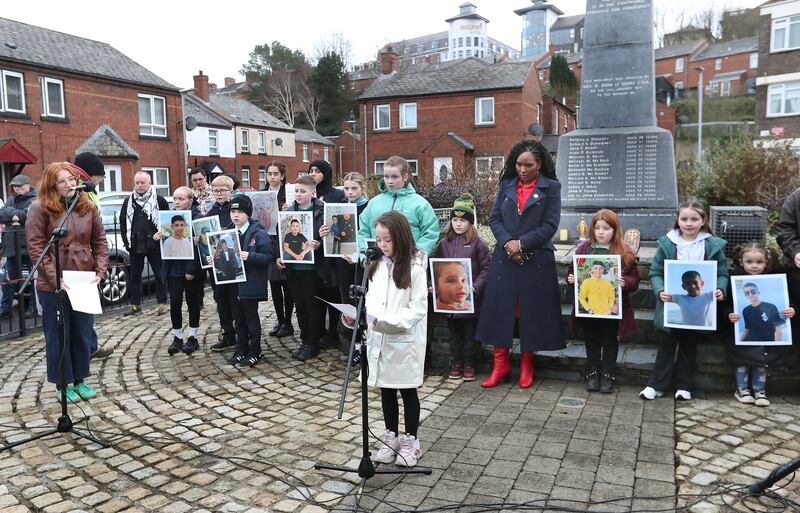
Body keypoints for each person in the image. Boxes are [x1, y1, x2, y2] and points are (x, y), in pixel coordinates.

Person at [476, 140, 566, 389]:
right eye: (518, 164)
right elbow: (494, 218)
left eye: (528, 165)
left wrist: (522, 244)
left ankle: (527, 364)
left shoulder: (552, 188)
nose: (522, 170)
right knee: (501, 310)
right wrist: (508, 243)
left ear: (539, 165)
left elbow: (550, 225)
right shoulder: (506, 185)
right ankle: (500, 364)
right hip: (505, 258)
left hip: (536, 260)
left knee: (530, 312)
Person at [341, 211, 428, 467]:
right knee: (386, 389)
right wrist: (357, 317)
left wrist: (386, 323)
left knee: (407, 390)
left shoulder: (415, 270)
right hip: (379, 338)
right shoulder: (376, 266)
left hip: (403, 340)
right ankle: (391, 435)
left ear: (400, 238)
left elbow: (418, 309)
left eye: (387, 240)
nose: (382, 245)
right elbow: (371, 301)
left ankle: (412, 440)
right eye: (378, 240)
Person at [26, 162, 108, 401]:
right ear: (53, 184)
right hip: (55, 283)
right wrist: (55, 279)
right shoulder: (39, 208)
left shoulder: (87, 206)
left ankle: (80, 379)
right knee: (59, 334)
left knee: (82, 332)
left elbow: (100, 242)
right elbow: (36, 248)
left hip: (84, 278)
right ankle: (63, 383)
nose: (70, 184)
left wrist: (100, 271)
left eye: (71, 179)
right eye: (63, 181)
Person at [640, 201, 729, 401]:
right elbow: (655, 272)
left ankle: (684, 386)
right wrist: (660, 290)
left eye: (694, 219)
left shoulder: (711, 244)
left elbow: (722, 272)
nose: (689, 223)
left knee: (689, 347)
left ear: (703, 221)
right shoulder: (668, 243)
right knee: (666, 346)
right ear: (678, 221)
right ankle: (657, 385)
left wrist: (721, 289)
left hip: (698, 313)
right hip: (670, 309)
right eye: (684, 219)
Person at [566, 209, 640, 393]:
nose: (601, 232)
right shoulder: (584, 249)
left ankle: (607, 374)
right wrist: (572, 279)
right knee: (591, 340)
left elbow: (635, 279)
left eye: (606, 228)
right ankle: (592, 372)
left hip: (611, 309)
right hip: (590, 309)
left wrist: (626, 282)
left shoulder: (624, 251)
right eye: (597, 228)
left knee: (609, 341)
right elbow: (572, 271)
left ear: (614, 230)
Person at [431, 193, 490, 381]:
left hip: (470, 301)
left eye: (462, 221)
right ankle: (456, 361)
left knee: (469, 335)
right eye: (455, 220)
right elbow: (436, 267)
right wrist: (434, 285)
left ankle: (470, 363)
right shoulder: (443, 243)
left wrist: (475, 286)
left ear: (470, 223)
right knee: (454, 334)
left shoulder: (478, 244)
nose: (458, 224)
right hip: (449, 302)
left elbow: (486, 269)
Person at [726, 243, 794, 407]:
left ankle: (760, 390)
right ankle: (741, 389)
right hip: (744, 338)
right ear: (741, 262)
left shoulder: (775, 285)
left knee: (761, 363)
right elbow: (727, 305)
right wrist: (728, 315)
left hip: (765, 339)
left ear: (765, 263)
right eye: (749, 262)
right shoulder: (733, 279)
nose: (754, 266)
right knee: (741, 360)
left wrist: (792, 310)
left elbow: (783, 314)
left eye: (759, 262)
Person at [320, 172, 370, 360]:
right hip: (343, 262)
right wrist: (324, 232)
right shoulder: (339, 208)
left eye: (354, 188)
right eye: (346, 188)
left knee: (363, 302)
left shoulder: (368, 207)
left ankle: (367, 343)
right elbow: (335, 235)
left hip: (362, 263)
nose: (349, 192)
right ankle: (355, 345)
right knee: (348, 303)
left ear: (362, 189)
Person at [154, 187, 204, 356]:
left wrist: (192, 269)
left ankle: (192, 336)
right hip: (173, 269)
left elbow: (203, 247)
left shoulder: (197, 218)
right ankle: (177, 336)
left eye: (181, 199)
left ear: (190, 200)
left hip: (191, 269)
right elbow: (166, 248)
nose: (177, 202)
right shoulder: (168, 219)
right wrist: (158, 238)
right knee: (175, 302)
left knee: (192, 302)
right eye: (175, 199)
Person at [73, 152, 114, 359]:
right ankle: (87, 348)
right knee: (83, 309)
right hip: (80, 258)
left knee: (86, 308)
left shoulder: (89, 191)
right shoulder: (80, 191)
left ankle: (90, 345)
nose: (100, 180)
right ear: (92, 175)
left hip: (86, 254)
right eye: (101, 176)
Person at [226, 195, 274, 367]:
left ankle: (255, 351)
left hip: (250, 283)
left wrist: (250, 256)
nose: (235, 215)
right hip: (234, 283)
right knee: (238, 320)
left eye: (239, 212)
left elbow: (268, 256)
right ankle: (241, 349)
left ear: (247, 213)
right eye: (233, 211)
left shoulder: (258, 232)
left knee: (251, 320)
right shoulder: (227, 231)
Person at [358, 156, 439, 255]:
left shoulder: (420, 204)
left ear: (405, 176)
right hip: (377, 263)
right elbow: (363, 231)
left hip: (409, 263)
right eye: (386, 176)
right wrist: (364, 256)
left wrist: (417, 254)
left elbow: (431, 233)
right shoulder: (373, 203)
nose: (390, 181)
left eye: (394, 177)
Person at [281, 175, 324, 361]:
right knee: (299, 305)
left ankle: (312, 343)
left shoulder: (322, 211)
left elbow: (331, 240)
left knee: (311, 306)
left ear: (313, 192)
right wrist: (279, 257)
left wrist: (319, 242)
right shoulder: (290, 212)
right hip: (293, 268)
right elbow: (283, 240)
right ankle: (305, 340)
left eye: (303, 191)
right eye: (296, 191)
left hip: (313, 269)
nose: (299, 194)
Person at [119, 171, 169, 316]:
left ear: (149, 183)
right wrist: (126, 241)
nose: (139, 185)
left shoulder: (159, 200)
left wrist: (162, 234)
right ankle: (136, 305)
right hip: (135, 244)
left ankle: (162, 304)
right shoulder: (128, 201)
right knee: (135, 276)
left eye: (143, 182)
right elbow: (123, 222)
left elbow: (167, 220)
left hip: (155, 244)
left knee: (160, 275)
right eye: (137, 183)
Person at [309, 160, 344, 348]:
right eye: (311, 170)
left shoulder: (337, 195)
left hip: (332, 253)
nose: (314, 174)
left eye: (317, 171)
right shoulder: (307, 194)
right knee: (317, 294)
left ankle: (333, 332)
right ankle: (319, 330)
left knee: (333, 294)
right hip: (314, 252)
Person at [263, 161, 294, 338]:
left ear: (282, 176)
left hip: (283, 239)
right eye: (269, 173)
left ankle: (288, 321)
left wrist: (286, 209)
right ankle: (280, 319)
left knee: (286, 284)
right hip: (269, 240)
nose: (272, 177)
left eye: (275, 174)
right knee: (274, 284)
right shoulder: (263, 194)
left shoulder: (287, 194)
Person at [206, 175, 237, 352]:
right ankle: (227, 333)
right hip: (216, 264)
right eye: (215, 190)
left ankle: (238, 331)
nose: (218, 194)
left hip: (230, 262)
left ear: (230, 192)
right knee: (220, 299)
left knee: (234, 299)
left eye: (222, 190)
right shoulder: (211, 211)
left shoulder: (234, 209)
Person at [0, 174, 37, 318]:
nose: (17, 189)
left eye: (20, 186)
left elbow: (28, 216)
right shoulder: (11, 199)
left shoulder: (34, 199)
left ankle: (33, 308)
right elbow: (1, 215)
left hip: (28, 243)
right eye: (15, 186)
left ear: (28, 185)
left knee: (33, 278)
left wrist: (10, 213)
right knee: (8, 278)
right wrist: (16, 215)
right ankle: (5, 309)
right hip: (11, 244)